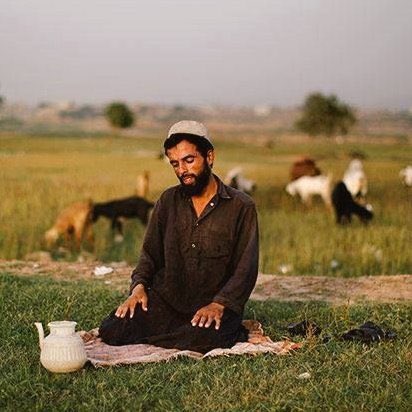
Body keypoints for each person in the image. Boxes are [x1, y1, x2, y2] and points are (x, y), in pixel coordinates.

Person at [99, 120, 259, 353]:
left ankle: (218, 330)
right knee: (113, 328)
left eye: (189, 160)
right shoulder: (167, 201)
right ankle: (184, 331)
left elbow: (246, 269)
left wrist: (219, 304)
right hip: (168, 301)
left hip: (215, 303)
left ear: (209, 156)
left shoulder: (241, 206)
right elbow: (149, 255)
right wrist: (139, 288)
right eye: (175, 164)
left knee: (204, 338)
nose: (182, 170)